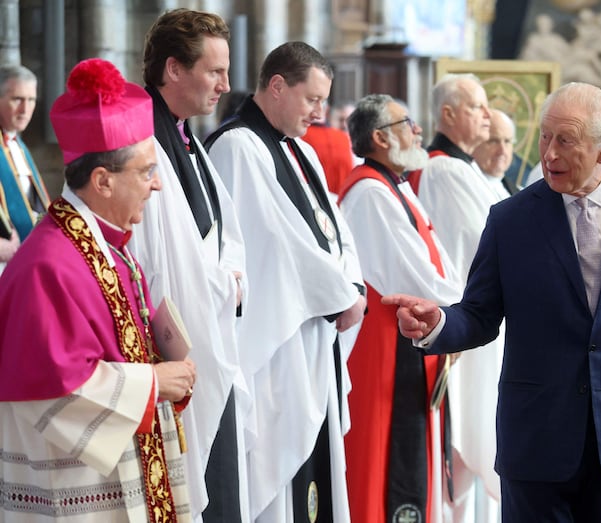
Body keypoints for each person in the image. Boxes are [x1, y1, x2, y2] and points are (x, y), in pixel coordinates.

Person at [383, 81, 601, 523]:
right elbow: (480, 314)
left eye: (566, 140)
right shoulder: (510, 219)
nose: (549, 153)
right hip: (536, 437)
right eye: (545, 136)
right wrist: (438, 324)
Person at [0, 58, 195, 521]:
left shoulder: (108, 244)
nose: (158, 184)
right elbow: (52, 391)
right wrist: (154, 383)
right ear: (103, 181)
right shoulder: (49, 265)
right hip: (77, 488)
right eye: (146, 171)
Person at [205, 41, 366, 523]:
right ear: (276, 87)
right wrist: (340, 295)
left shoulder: (300, 150)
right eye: (312, 99)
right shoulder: (238, 145)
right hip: (277, 343)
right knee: (279, 482)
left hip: (312, 334)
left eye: (323, 100)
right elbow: (275, 243)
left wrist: (353, 287)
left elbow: (337, 231)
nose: (320, 112)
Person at [132, 8, 247, 521]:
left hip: (213, 316)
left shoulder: (184, 135)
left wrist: (229, 280)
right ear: (174, 69)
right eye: (214, 71)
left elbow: (222, 232)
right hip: (180, 332)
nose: (225, 84)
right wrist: (223, 282)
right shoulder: (143, 142)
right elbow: (157, 253)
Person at [337, 94, 463, 523]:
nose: (419, 130)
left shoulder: (395, 184)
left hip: (409, 339)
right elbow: (416, 279)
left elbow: (437, 261)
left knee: (413, 454)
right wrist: (464, 313)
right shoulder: (371, 192)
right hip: (387, 349)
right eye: (407, 122)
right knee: (389, 462)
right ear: (379, 138)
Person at [410, 73, 504, 523]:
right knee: (468, 436)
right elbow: (478, 241)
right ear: (447, 114)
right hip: (469, 317)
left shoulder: (465, 167)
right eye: (477, 107)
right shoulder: (443, 169)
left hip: (481, 319)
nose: (486, 115)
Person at [0, 64, 50, 270]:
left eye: (31, 100)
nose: (25, 110)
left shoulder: (19, 147)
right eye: (17, 99)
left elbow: (34, 206)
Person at [303, 109, 355, 195]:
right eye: (341, 120)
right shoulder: (343, 137)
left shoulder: (301, 138)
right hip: (343, 198)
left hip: (315, 196)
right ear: (326, 112)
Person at [473, 108, 518, 197]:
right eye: (493, 141)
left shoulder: (520, 192)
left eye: (507, 141)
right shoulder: (464, 186)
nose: (502, 150)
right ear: (475, 144)